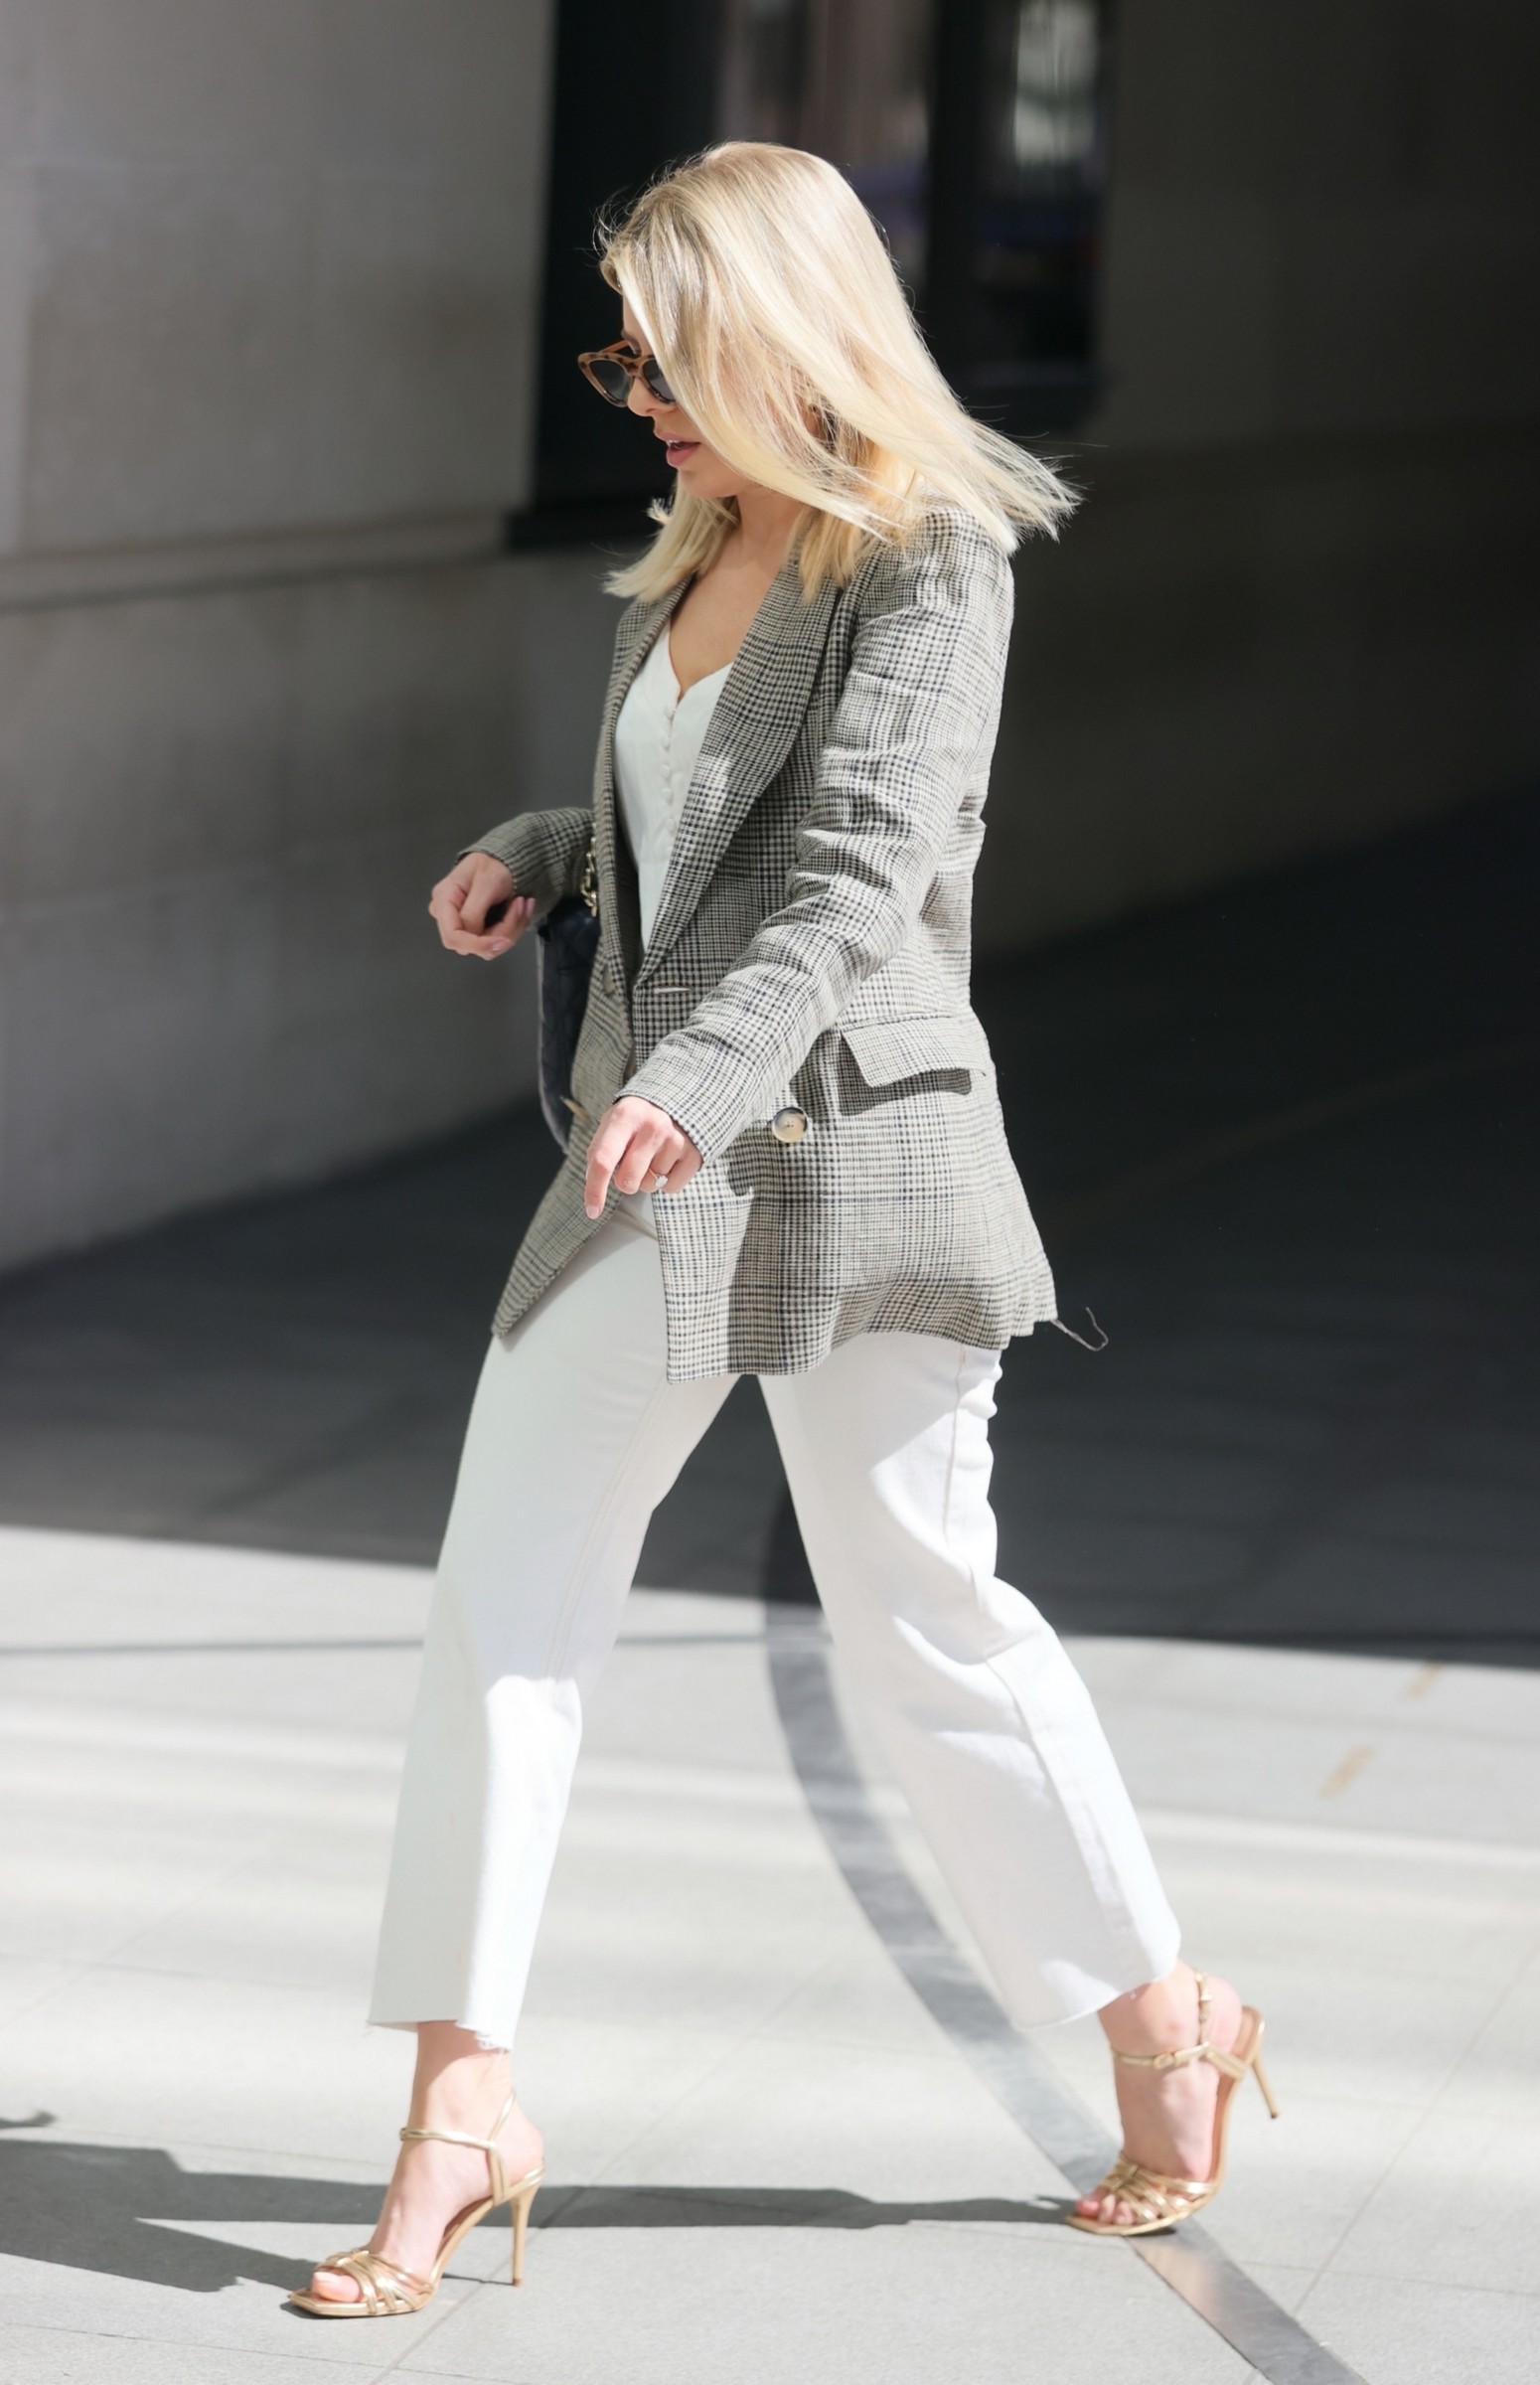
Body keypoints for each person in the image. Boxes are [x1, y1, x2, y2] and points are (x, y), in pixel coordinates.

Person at [292, 140, 1275, 2321]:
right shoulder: (696, 542)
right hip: (650, 1164)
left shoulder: (931, 560)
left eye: (662, 358)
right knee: (503, 1596)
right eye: (620, 361)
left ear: (780, 339)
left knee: (918, 1616)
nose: (634, 397)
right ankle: (460, 2102)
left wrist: (697, 1076)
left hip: (851, 1154)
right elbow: (696, 820)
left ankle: (1162, 2011)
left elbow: (853, 873)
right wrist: (546, 844)